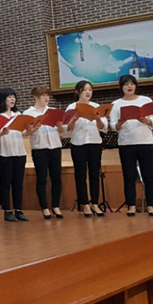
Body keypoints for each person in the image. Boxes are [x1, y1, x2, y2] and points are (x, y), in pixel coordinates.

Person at [109, 74, 153, 216]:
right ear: (121, 87)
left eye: (132, 84)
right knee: (129, 175)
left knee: (149, 175)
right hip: (126, 143)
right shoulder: (116, 104)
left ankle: (151, 205)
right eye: (126, 84)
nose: (129, 86)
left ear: (135, 86)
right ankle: (131, 206)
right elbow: (113, 126)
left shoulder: (146, 100)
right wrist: (120, 123)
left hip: (146, 142)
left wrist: (147, 121)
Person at [66, 80, 107, 217]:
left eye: (90, 89)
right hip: (78, 144)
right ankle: (85, 204)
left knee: (94, 174)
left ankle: (95, 203)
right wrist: (74, 119)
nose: (88, 92)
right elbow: (67, 129)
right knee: (80, 175)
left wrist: (98, 119)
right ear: (78, 91)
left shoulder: (96, 106)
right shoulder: (71, 107)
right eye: (85, 90)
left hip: (95, 143)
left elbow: (103, 127)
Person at [24, 85, 65, 219]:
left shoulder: (53, 111)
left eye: (47, 95)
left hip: (55, 147)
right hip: (39, 148)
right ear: (36, 97)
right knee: (42, 178)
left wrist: (60, 127)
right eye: (43, 96)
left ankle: (56, 206)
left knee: (56, 178)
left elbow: (62, 132)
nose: (46, 98)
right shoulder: (28, 113)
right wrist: (33, 129)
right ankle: (45, 207)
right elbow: (25, 133)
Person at [0, 88, 28, 222]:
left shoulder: (17, 114)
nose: (13, 99)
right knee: (5, 183)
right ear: (3, 99)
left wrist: (30, 130)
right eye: (9, 97)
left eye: (14, 97)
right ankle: (7, 211)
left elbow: (23, 133)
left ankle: (18, 210)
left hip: (19, 152)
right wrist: (2, 133)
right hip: (3, 153)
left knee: (18, 183)